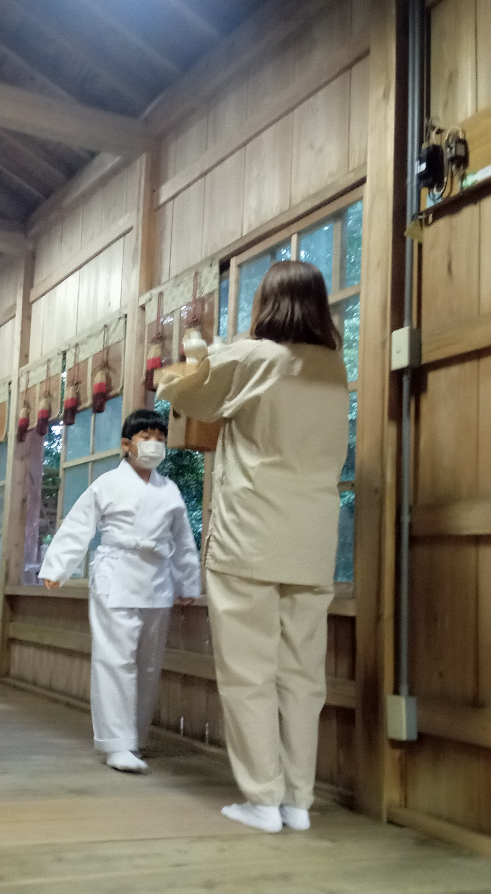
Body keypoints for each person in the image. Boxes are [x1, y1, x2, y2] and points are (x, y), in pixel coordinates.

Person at [157, 260, 348, 833]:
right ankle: (297, 800)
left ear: (267, 303)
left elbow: (180, 393)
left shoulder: (254, 356)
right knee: (302, 676)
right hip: (312, 542)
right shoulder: (333, 367)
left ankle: (262, 800)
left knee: (248, 671)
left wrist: (196, 349)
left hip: (250, 536)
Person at [38, 409, 200, 774]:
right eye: (146, 437)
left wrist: (188, 581)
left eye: (160, 438)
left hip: (158, 578)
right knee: (115, 659)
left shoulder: (169, 489)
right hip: (117, 572)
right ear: (126, 444)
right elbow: (80, 525)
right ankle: (116, 743)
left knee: (148, 662)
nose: (154, 444)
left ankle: (136, 736)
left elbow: (183, 540)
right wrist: (58, 566)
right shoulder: (107, 484)